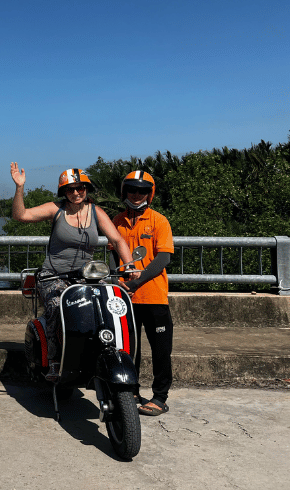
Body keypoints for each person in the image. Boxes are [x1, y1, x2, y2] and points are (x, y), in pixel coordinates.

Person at [10, 164, 139, 382]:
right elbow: (20, 215)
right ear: (64, 192)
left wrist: (129, 265)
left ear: (87, 189)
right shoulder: (56, 210)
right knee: (55, 306)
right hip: (53, 277)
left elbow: (117, 240)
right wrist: (20, 187)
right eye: (71, 189)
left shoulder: (96, 212)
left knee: (105, 308)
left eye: (80, 188)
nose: (76, 193)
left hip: (86, 278)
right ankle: (53, 361)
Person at [110, 170, 174, 416]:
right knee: (129, 349)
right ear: (124, 191)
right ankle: (132, 390)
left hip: (153, 296)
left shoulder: (159, 220)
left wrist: (136, 282)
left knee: (160, 350)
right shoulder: (117, 221)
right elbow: (114, 252)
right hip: (125, 297)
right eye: (132, 190)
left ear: (150, 193)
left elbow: (163, 258)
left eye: (142, 191)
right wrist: (121, 280)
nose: (136, 195)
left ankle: (160, 397)